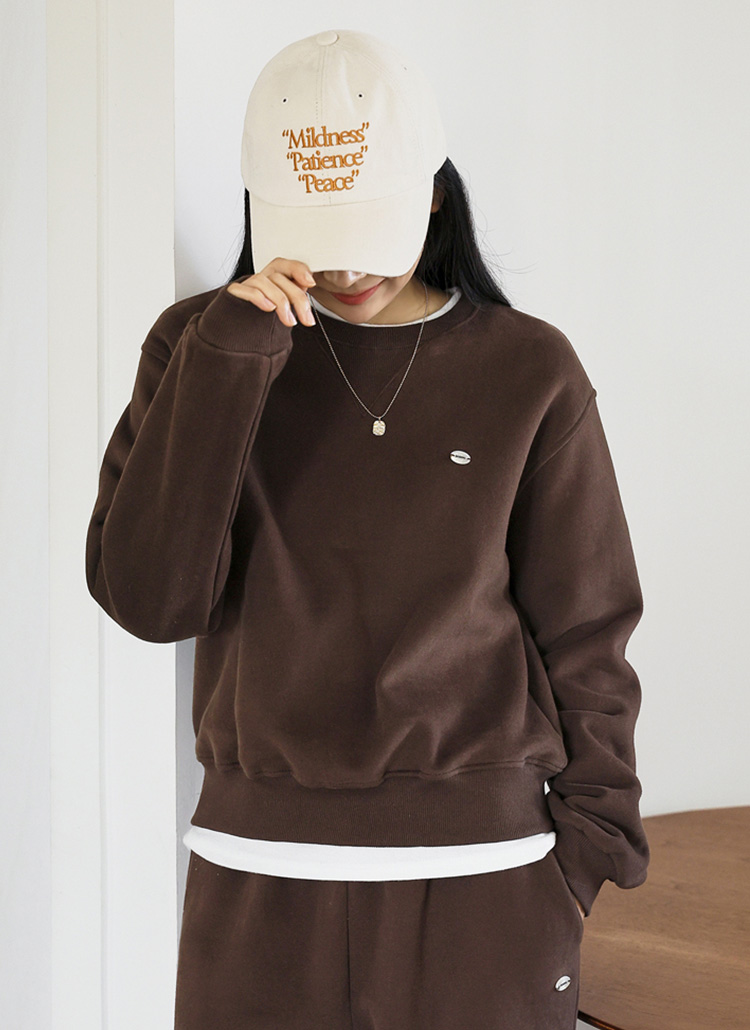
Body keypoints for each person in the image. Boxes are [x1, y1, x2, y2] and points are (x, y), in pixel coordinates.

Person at [85, 28, 650, 1030]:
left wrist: (588, 852)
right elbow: (149, 601)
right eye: (316, 230)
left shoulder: (528, 368)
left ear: (432, 194)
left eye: (367, 225)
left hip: (488, 876)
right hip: (257, 869)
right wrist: (231, 359)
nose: (347, 269)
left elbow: (587, 627)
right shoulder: (197, 347)